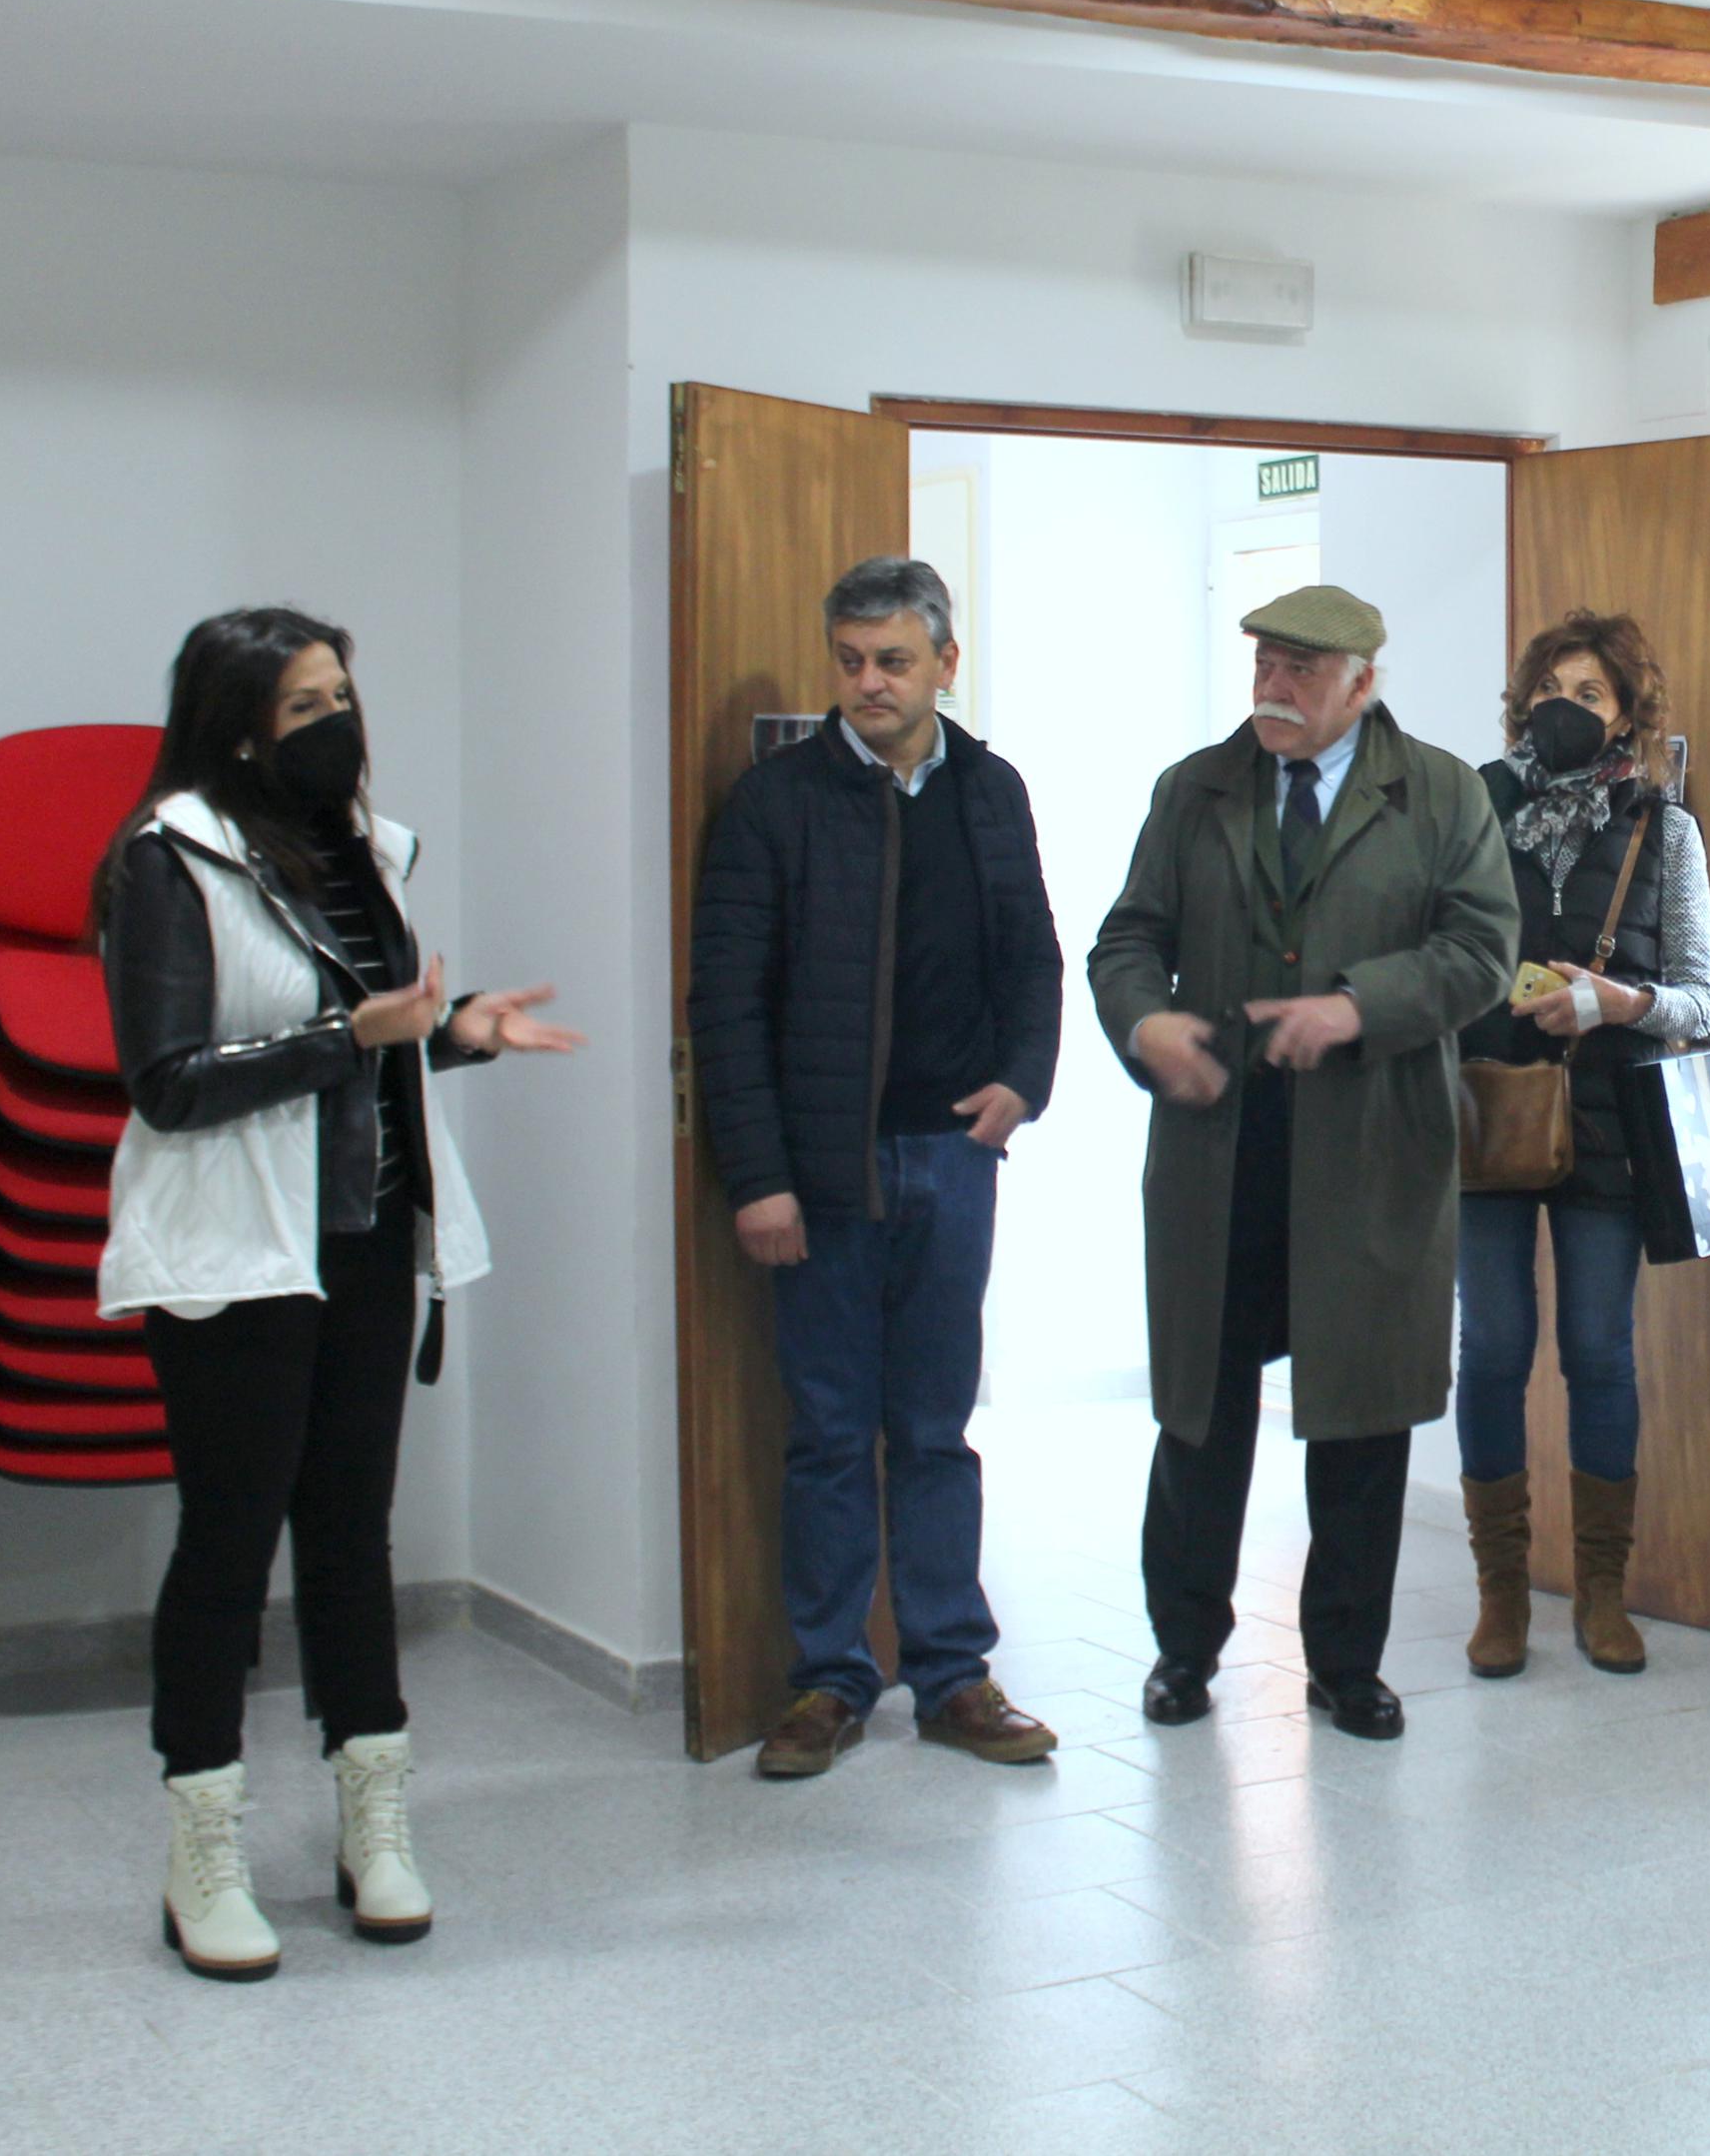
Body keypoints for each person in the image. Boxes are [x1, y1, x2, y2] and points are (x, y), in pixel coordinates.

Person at [98, 607, 580, 1983]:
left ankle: (374, 1818)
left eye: (342, 693)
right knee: (228, 1538)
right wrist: (343, 1039)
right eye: (307, 702)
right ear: (242, 719)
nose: (338, 722)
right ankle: (203, 1850)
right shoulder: (166, 853)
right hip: (238, 1251)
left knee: (352, 1529)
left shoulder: (367, 846)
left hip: (367, 1234)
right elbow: (170, 1079)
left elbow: (383, 1042)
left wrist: (457, 1029)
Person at [1092, 582, 1517, 1743]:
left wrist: (1353, 1005)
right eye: (1263, 663)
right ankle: (1183, 1648)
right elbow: (1129, 936)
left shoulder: (1437, 792)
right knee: (1198, 1411)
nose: (1271, 687)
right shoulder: (1197, 786)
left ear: (1362, 684)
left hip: (1367, 1145)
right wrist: (1143, 1022)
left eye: (1300, 670)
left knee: (1360, 1416)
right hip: (1217, 1144)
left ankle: (1345, 1662)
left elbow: (1482, 951)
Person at [690, 556, 1067, 1783]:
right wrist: (758, 1179)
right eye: (849, 659)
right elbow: (727, 1010)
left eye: (893, 660)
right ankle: (829, 1679)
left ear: (944, 664)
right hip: (821, 1173)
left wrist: (1024, 1080)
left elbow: (1034, 958)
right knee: (829, 1432)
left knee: (936, 1428)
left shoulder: (992, 790)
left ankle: (951, 1671)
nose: (868, 682)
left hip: (952, 1159)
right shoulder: (774, 803)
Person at [1452, 612, 1710, 1678]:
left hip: (1611, 1126)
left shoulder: (1665, 828)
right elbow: (1425, 947)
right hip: (1485, 1110)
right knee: (1492, 1350)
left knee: (1600, 1353)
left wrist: (1614, 1002)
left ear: (1627, 715)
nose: (1568, 707)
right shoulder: (1473, 813)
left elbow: (1701, 999)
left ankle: (1602, 1592)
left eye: (1593, 693)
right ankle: (1501, 1595)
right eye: (1551, 689)